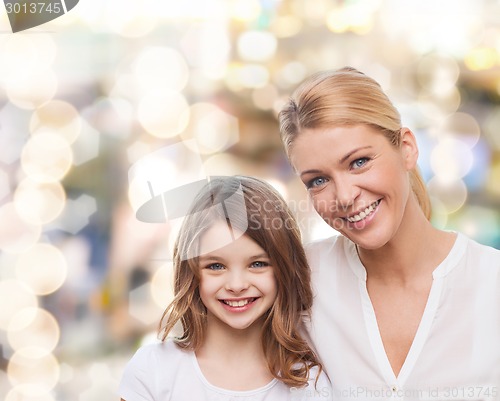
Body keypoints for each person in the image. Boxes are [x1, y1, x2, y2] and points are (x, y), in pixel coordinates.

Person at [278, 67, 500, 401]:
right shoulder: (299, 283)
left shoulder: (491, 283)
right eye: (318, 180)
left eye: (359, 162)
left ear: (407, 148)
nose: (344, 196)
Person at [119, 175, 333, 400]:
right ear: (191, 272)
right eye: (216, 266)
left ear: (283, 268)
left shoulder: (309, 384)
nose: (237, 285)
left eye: (257, 264)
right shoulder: (153, 370)